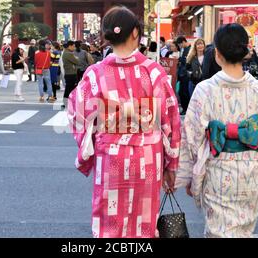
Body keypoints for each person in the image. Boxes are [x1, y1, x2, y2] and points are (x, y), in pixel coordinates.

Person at [176, 23, 258, 238]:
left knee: (217, 232)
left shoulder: (204, 90)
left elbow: (192, 136)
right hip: (251, 175)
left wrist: (188, 175)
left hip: (217, 173)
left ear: (216, 53)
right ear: (246, 51)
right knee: (245, 231)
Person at [68, 6, 181, 238]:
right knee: (144, 225)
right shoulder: (154, 72)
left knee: (110, 225)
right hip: (148, 157)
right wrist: (172, 164)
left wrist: (92, 141)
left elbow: (78, 114)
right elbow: (170, 120)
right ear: (135, 33)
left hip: (111, 156)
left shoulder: (95, 73)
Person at [176, 36, 191, 115]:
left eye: (180, 45)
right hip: (182, 74)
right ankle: (184, 108)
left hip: (186, 75)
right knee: (181, 92)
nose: (180, 47)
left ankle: (186, 109)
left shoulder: (190, 49)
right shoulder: (184, 49)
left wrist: (180, 59)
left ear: (183, 42)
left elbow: (187, 61)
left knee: (184, 92)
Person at [62, 40, 80, 109]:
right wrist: (76, 58)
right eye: (73, 46)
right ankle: (67, 102)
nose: (74, 48)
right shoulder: (68, 54)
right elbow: (77, 61)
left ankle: (67, 102)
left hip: (69, 73)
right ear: (70, 46)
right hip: (71, 73)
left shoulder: (66, 53)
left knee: (69, 88)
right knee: (70, 88)